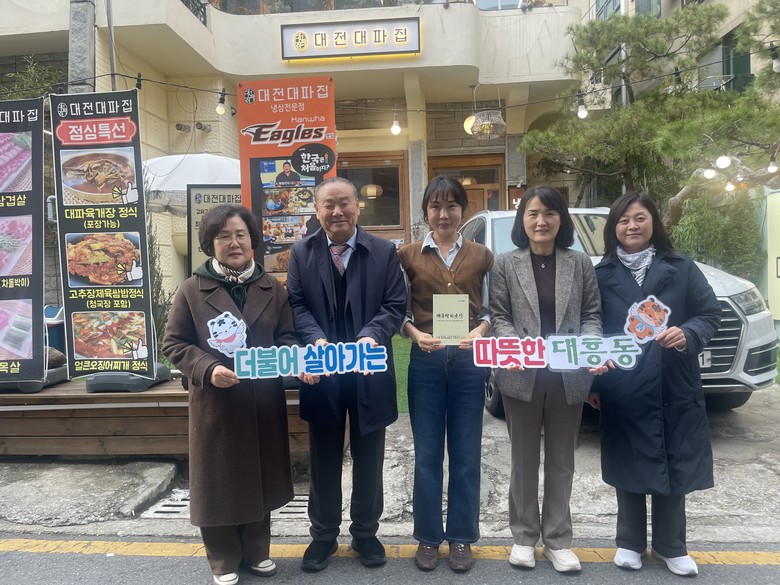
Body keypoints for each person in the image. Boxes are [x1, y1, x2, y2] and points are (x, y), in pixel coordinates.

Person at [162, 204, 297, 585]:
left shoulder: (271, 288)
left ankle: (256, 551)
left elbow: (287, 337)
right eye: (224, 236)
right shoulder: (192, 289)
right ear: (210, 244)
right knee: (218, 480)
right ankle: (223, 559)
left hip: (262, 401)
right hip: (216, 403)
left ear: (252, 241)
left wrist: (290, 360)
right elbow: (174, 343)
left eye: (241, 235)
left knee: (260, 474)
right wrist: (207, 368)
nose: (234, 243)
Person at [588, 191, 721, 577]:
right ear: (614, 228)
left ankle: (671, 545)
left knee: (674, 460)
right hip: (623, 382)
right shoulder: (601, 274)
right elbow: (591, 326)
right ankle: (629, 542)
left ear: (654, 223)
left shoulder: (681, 267)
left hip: (672, 380)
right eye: (623, 220)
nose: (632, 226)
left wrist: (688, 332)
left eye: (640, 218)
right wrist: (592, 384)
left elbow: (709, 313)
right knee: (628, 460)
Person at [286, 177, 407, 572]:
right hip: (323, 370)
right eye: (329, 205)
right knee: (323, 455)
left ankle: (365, 532)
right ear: (317, 211)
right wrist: (315, 339)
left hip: (368, 368)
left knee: (369, 455)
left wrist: (372, 335)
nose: (337, 212)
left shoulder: (383, 251)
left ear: (358, 206)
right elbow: (296, 304)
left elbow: (395, 304)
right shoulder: (302, 252)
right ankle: (323, 535)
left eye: (344, 203)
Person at [489, 186, 606, 573]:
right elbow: (499, 314)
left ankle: (558, 539)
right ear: (522, 220)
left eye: (550, 213)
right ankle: (523, 536)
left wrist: (589, 346)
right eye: (533, 213)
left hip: (567, 376)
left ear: (561, 219)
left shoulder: (580, 263)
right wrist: (516, 347)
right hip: (521, 375)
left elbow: (592, 315)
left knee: (562, 460)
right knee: (523, 460)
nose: (541, 221)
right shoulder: (505, 263)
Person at [397, 176, 493, 573]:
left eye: (451, 206)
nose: (443, 214)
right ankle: (427, 537)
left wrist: (480, 330)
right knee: (427, 454)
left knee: (467, 453)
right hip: (427, 361)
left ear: (462, 211)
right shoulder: (406, 256)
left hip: (470, 362)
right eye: (435, 207)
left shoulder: (482, 255)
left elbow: (490, 309)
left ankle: (461, 537)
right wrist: (415, 334)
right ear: (426, 212)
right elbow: (399, 310)